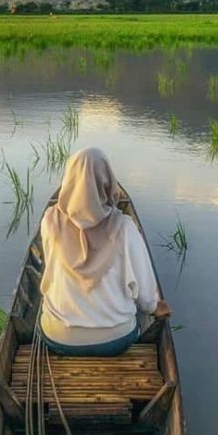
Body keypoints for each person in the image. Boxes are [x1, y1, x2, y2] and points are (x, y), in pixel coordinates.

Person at [39, 146, 171, 356]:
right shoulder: (125, 228)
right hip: (116, 339)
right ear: (107, 181)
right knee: (139, 310)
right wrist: (154, 307)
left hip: (59, 338)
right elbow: (146, 297)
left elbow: (50, 270)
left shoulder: (50, 221)